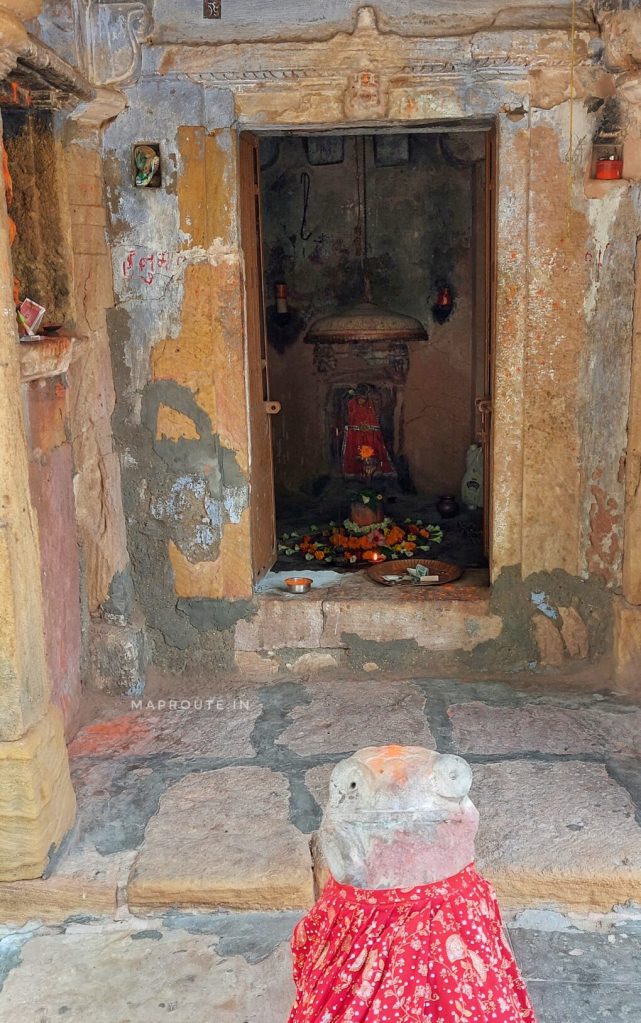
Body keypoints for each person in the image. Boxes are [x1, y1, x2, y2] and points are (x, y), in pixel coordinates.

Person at [341, 385, 395, 477]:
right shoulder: (351, 404)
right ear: (357, 396)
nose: (362, 400)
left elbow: (373, 420)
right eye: (360, 398)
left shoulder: (370, 405)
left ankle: (374, 471)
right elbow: (349, 418)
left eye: (364, 398)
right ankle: (356, 471)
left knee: (372, 452)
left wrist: (370, 428)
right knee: (356, 452)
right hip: (355, 435)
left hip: (369, 435)